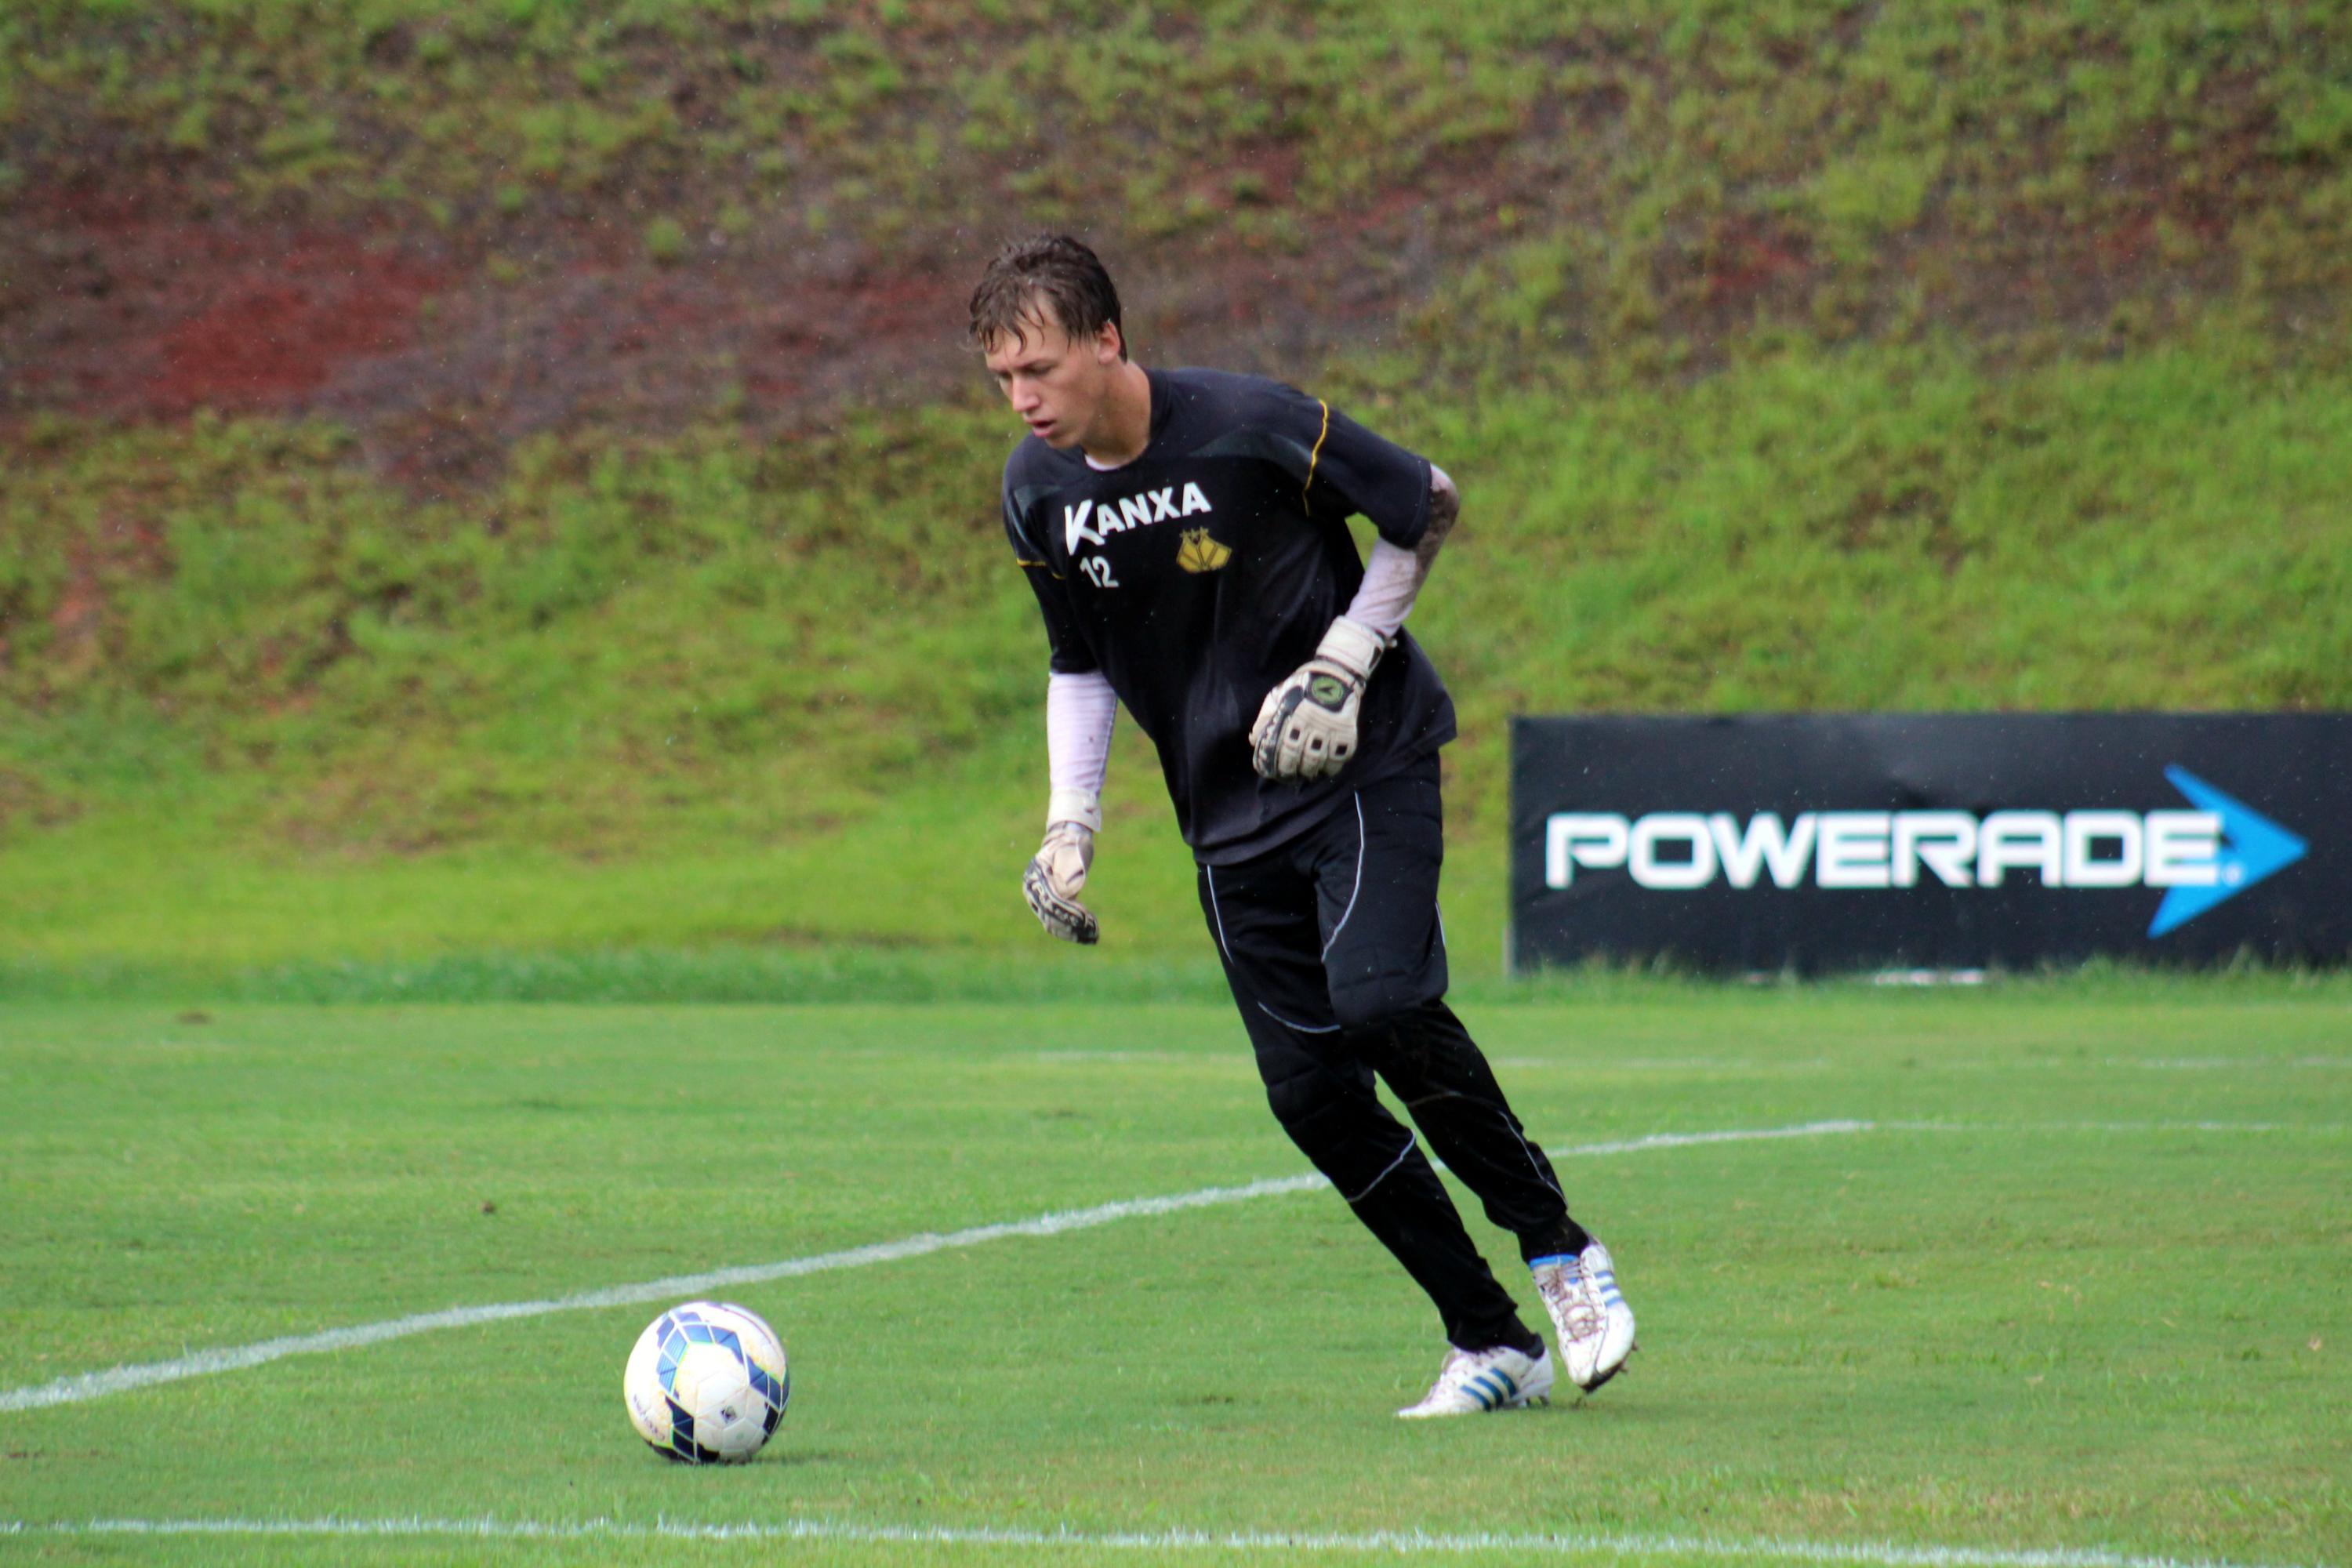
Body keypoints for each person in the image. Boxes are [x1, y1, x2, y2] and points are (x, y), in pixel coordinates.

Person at [972, 234, 1635, 1417]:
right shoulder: (1036, 492)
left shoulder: (1245, 422)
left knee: (1380, 1000)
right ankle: (1493, 1344)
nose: (1023, 400)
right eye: (1002, 379)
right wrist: (1071, 823)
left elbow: (1424, 502)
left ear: (1108, 340)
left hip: (1364, 769)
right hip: (1226, 824)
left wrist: (1345, 657)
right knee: (1310, 1094)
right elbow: (1078, 664)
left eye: (1041, 369)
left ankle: (1558, 1248)